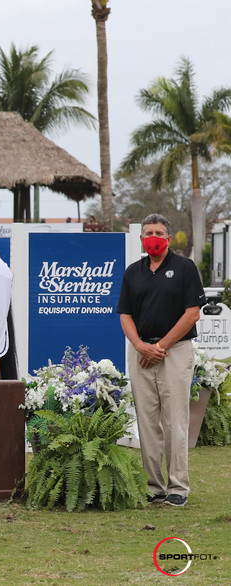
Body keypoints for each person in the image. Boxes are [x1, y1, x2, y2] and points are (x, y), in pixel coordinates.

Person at [117, 213, 206, 507]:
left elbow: (192, 312)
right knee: (147, 422)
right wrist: (142, 346)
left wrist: (161, 347)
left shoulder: (185, 268)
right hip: (141, 353)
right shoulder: (133, 272)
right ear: (142, 239)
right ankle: (153, 486)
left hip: (175, 352)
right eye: (148, 233)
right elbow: (125, 314)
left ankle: (178, 486)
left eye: (158, 232)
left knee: (176, 421)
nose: (152, 237)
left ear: (168, 238)